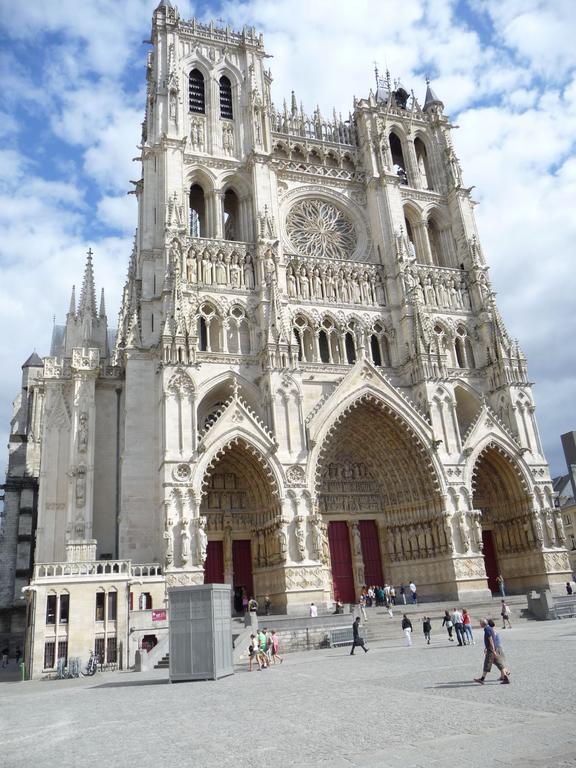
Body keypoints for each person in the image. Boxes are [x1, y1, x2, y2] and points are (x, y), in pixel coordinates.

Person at [474, 618, 510, 684]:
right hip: (492, 649)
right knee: (499, 664)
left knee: (487, 664)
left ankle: (482, 679)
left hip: (491, 650)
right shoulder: (490, 628)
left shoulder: (487, 629)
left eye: (480, 623)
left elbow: (491, 640)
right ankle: (506, 678)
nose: (480, 624)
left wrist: (493, 650)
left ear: (482, 624)